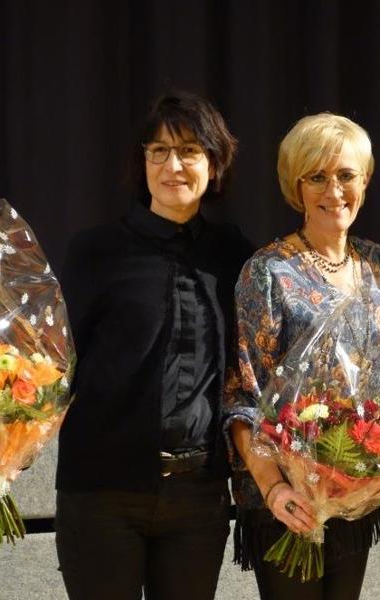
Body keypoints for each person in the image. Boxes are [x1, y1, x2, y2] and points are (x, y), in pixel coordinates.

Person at [41, 90, 249, 600]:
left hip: (198, 496)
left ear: (215, 164)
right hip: (103, 493)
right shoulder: (95, 252)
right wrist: (1, 459)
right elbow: (51, 364)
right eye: (158, 151)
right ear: (143, 162)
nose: (172, 165)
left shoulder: (235, 256)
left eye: (189, 151)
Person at [224, 113, 380, 600]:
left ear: (365, 180)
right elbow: (242, 398)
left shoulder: (376, 265)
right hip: (287, 502)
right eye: (317, 176)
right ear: (296, 187)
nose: (333, 190)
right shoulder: (268, 271)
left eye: (345, 175)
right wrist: (276, 487)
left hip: (353, 492)